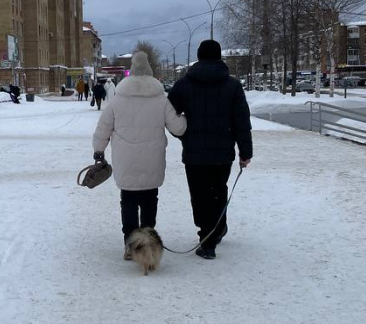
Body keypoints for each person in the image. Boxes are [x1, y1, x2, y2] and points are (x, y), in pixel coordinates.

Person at [92, 52, 187, 260]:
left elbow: (103, 128)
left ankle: (130, 244)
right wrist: (185, 116)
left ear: (131, 71)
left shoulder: (117, 100)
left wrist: (98, 150)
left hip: (126, 161)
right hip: (153, 160)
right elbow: (178, 128)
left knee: (128, 200)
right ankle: (147, 241)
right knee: (150, 200)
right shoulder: (160, 100)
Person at [168, 40, 252, 260]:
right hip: (223, 153)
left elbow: (169, 115)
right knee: (218, 191)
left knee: (199, 195)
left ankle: (207, 240)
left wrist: (183, 134)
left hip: (194, 153)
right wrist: (245, 152)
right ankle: (217, 229)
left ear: (198, 56)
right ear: (219, 56)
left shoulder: (183, 84)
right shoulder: (233, 85)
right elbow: (242, 121)